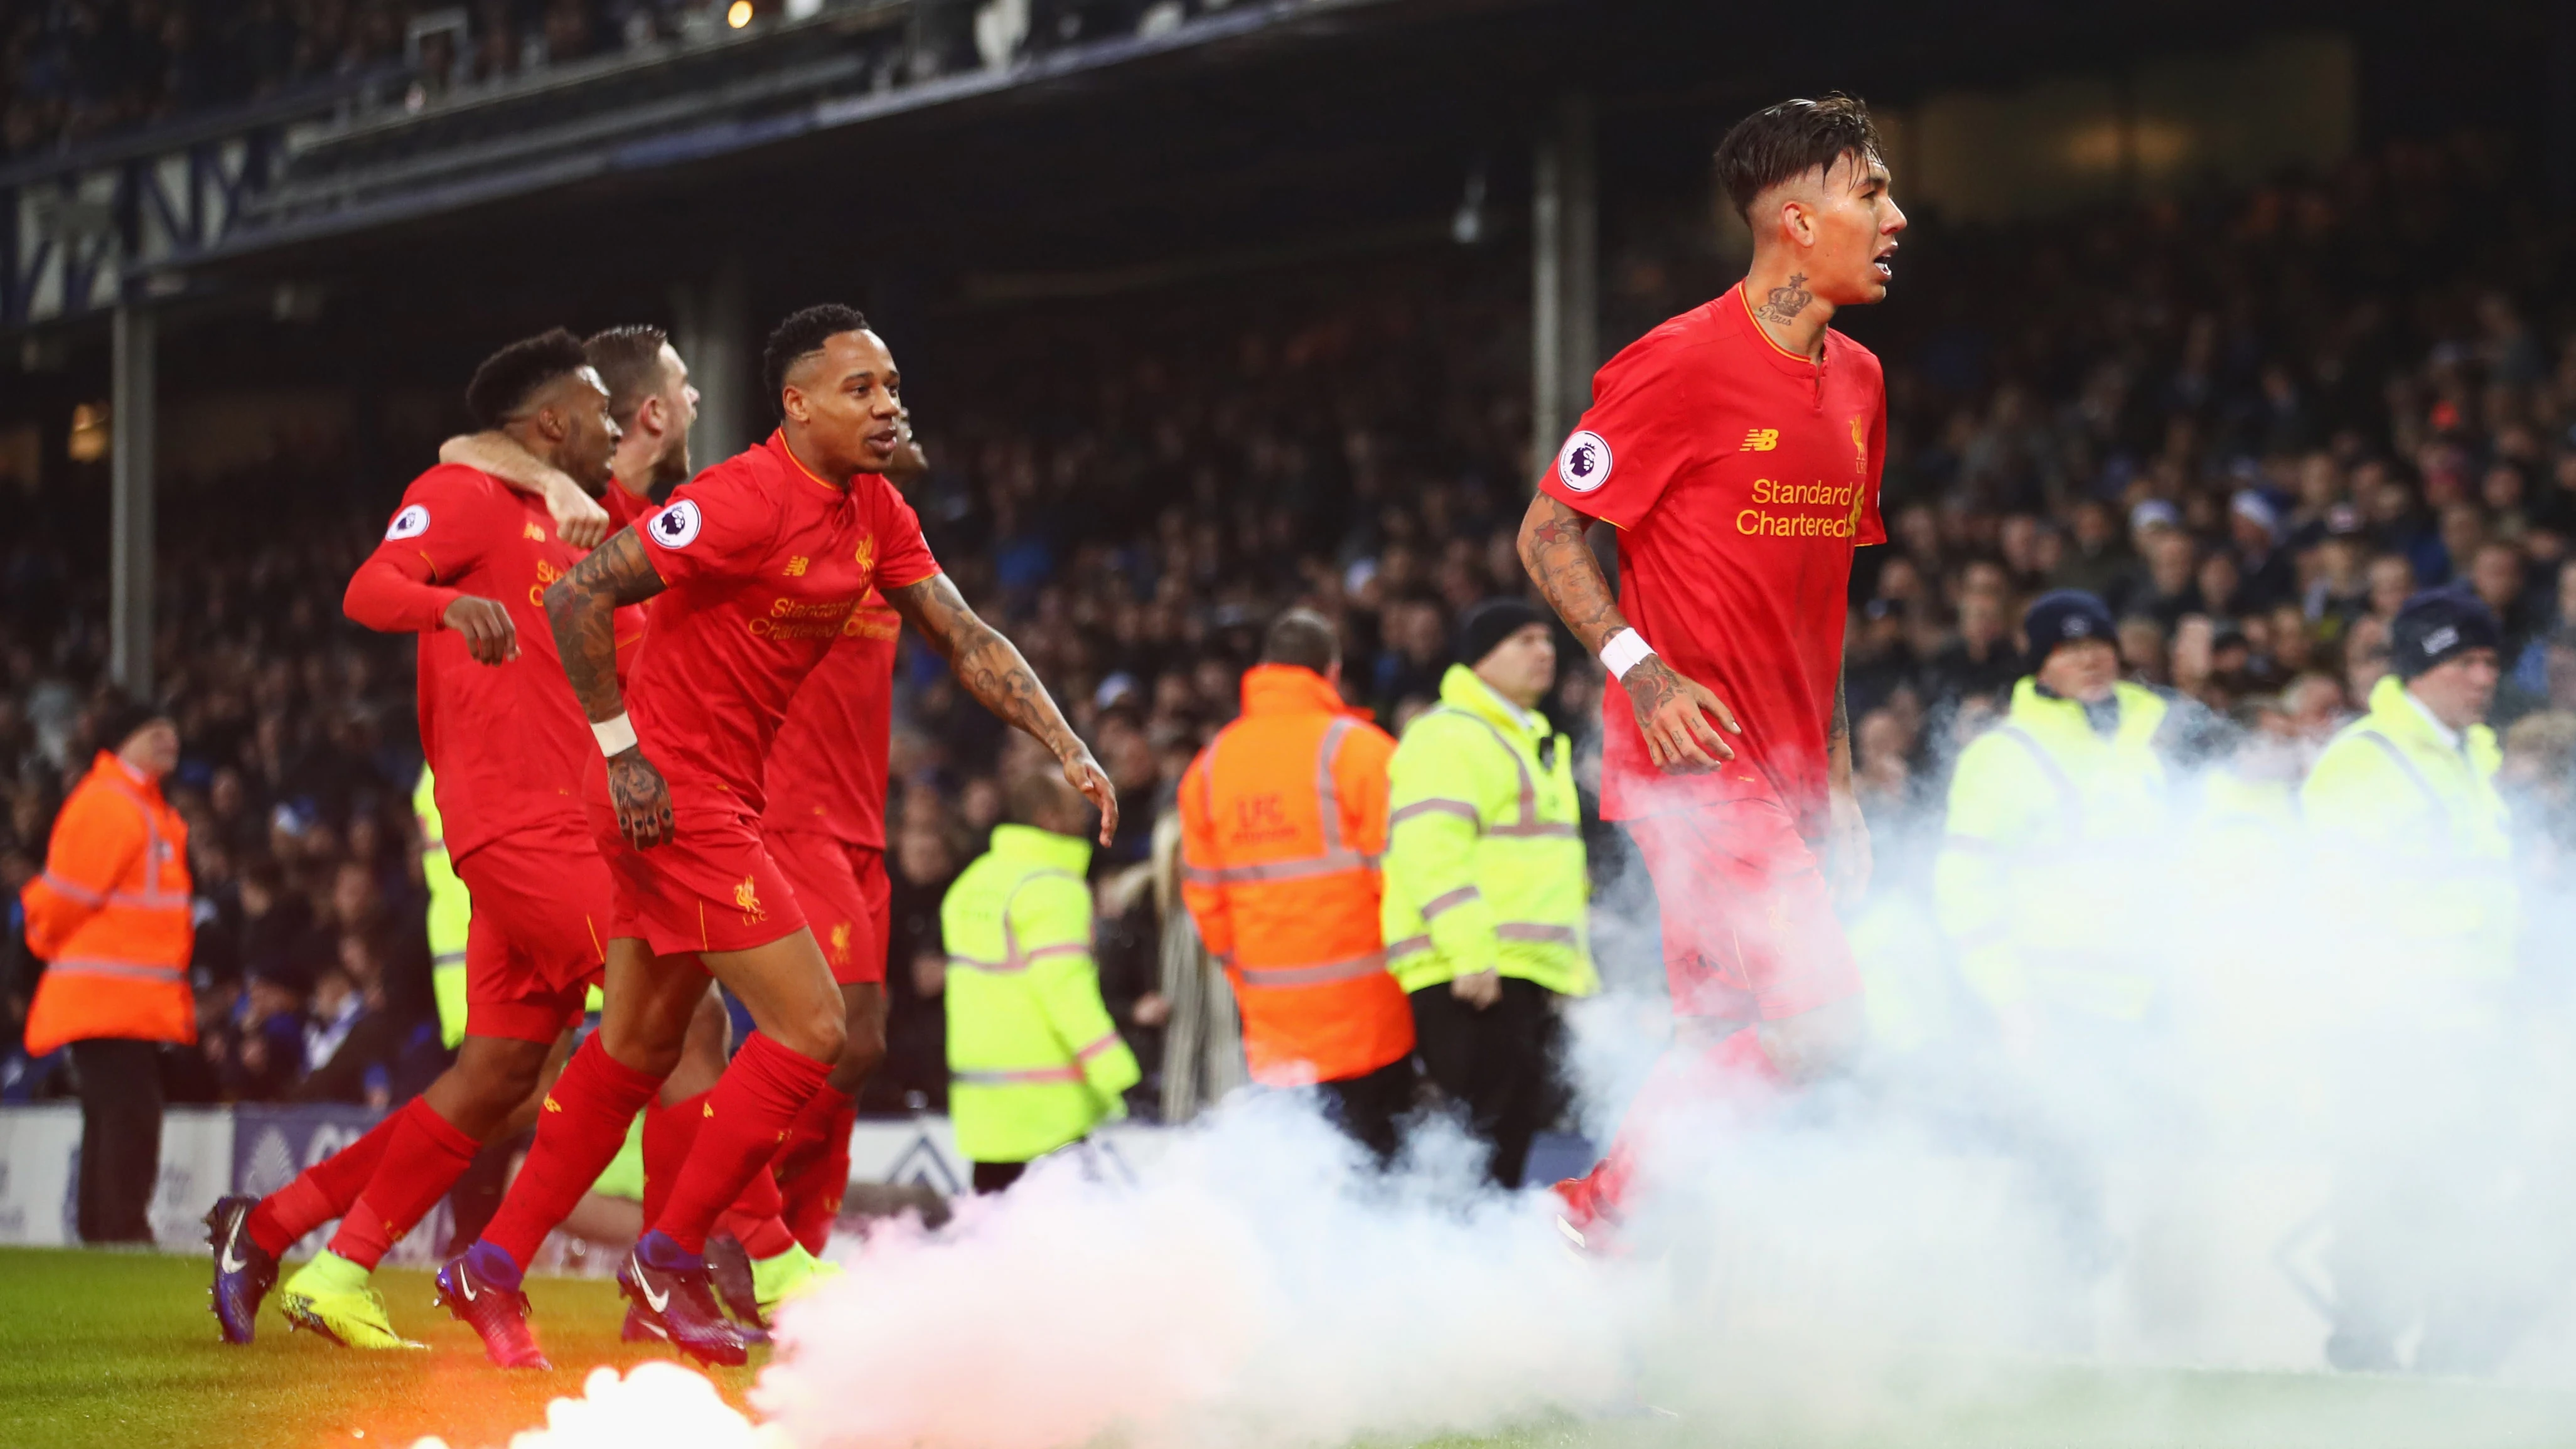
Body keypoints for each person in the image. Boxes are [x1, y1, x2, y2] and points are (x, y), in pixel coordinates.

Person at [437, 305, 1114, 1370]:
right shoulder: (739, 499)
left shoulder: (874, 510)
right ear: (795, 404)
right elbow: (577, 591)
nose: (887, 404)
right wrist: (622, 752)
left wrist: (1062, 736)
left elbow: (963, 632)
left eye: (891, 385)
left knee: (637, 1049)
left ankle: (492, 1259)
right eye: (860, 389)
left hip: (709, 798)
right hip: (671, 795)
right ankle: (669, 1259)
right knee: (815, 1026)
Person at [1515, 94, 1902, 1246]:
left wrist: (1831, 774)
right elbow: (1544, 533)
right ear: (1793, 218)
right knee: (1819, 1024)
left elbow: (1818, 595)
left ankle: (1596, 1242)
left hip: (1784, 770)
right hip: (1691, 764)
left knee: (1720, 1031)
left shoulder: (1861, 384)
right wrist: (1640, 669)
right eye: (1869, 190)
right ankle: (1605, 1220)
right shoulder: (1674, 361)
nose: (1894, 216)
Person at [205, 329, 629, 1349]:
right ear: (557, 421)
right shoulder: (474, 496)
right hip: (514, 822)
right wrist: (451, 604)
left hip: (579, 823)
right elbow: (371, 584)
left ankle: (296, 1240)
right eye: (606, 409)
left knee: (493, 1081)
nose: (619, 427)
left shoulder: (607, 517)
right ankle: (700, 1258)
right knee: (674, 996)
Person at [2301, 587, 2526, 1374]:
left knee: (2467, 1192)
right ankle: (2365, 1353)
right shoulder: (2368, 760)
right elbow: (2337, 907)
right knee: (2382, 1193)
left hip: (2479, 1022)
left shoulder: (2474, 759)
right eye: (2466, 660)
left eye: (2493, 660)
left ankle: (2449, 1357)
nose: (2484, 676)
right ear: (2424, 666)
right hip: (2393, 1029)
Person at [1178, 609, 1414, 1160]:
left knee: (1305, 1180)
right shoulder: (1363, 751)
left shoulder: (1211, 766)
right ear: (1330, 672)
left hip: (1274, 1021)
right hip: (1372, 1015)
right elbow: (1403, 880)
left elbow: (1205, 899)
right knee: (1378, 1179)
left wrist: (1245, 969)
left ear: (1263, 669)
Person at [1382, 599, 1599, 1189]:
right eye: (1524, 640)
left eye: (1548, 640)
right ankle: (1457, 1271)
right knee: (1477, 1155)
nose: (1544, 651)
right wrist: (1470, 953)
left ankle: (1483, 1270)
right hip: (1473, 975)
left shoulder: (1530, 737)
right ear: (1482, 659)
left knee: (1501, 1150)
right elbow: (1431, 852)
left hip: (1520, 972)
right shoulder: (1450, 734)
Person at [1933, 591, 2179, 1054]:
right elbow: (1965, 889)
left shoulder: (2163, 732)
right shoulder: (2002, 753)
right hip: (2061, 1008)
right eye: (2067, 649)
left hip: (2167, 1001)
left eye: (2098, 644)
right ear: (2040, 664)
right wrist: (2012, 1002)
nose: (2088, 659)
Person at [21, 698, 193, 1244]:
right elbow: (59, 900)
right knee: (129, 1119)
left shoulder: (138, 806)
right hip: (108, 1000)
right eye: (155, 731)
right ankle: (121, 1234)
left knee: (113, 1118)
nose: (170, 738)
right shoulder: (114, 806)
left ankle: (104, 1235)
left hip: (122, 1002)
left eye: (172, 729)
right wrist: (43, 938)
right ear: (124, 742)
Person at [943, 771, 1142, 1194]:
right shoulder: (1054, 889)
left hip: (983, 1104)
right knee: (1068, 1245)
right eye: (1077, 803)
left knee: (990, 1240)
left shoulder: (972, 882)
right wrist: (1119, 1073)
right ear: (1049, 817)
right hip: (1050, 1107)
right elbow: (1067, 993)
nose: (1089, 811)